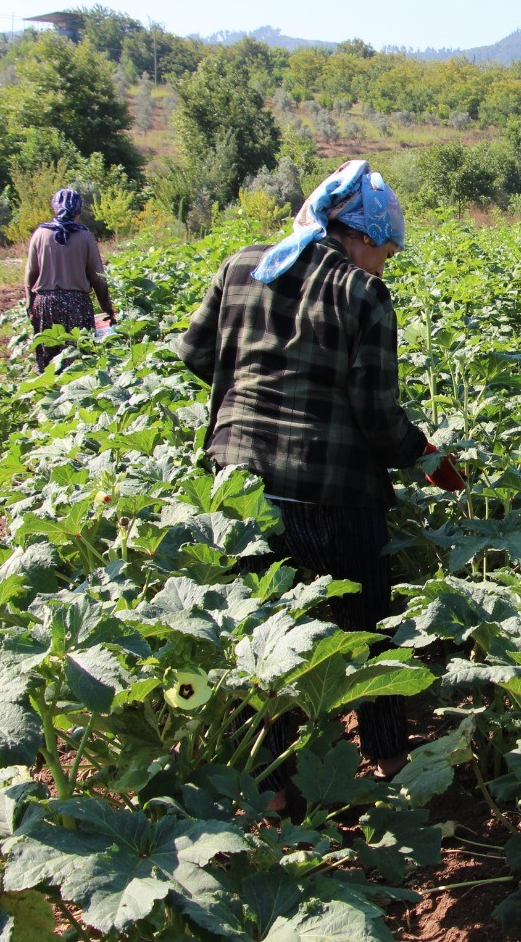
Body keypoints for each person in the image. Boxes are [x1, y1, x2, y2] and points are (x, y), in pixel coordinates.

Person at [176, 159, 463, 790]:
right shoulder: (363, 293)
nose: (385, 261)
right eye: (385, 249)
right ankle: (387, 761)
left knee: (261, 640)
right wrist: (427, 456)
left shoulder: (243, 265)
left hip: (237, 486)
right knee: (369, 629)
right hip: (331, 490)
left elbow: (196, 355)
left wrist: (254, 407)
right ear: (358, 235)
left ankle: (272, 788)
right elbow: (377, 415)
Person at [24, 188, 114, 371]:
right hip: (76, 304)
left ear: (55, 208)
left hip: (46, 303)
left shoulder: (40, 234)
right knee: (79, 359)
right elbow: (98, 279)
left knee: (49, 360)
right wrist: (107, 309)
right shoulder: (85, 237)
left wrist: (30, 303)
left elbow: (30, 275)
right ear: (78, 212)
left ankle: (50, 394)